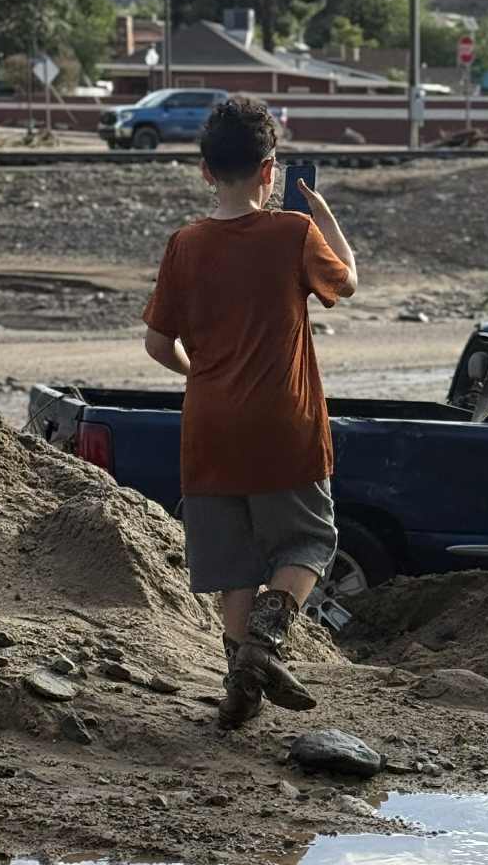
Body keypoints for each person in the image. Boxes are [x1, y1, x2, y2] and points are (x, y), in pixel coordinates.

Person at [141, 94, 358, 730]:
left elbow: (158, 346)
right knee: (310, 540)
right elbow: (346, 282)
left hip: (209, 426)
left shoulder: (184, 245)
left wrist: (204, 376)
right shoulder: (293, 233)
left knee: (234, 564)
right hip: (283, 423)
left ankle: (239, 691)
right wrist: (322, 213)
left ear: (206, 170)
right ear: (271, 170)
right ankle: (267, 641)